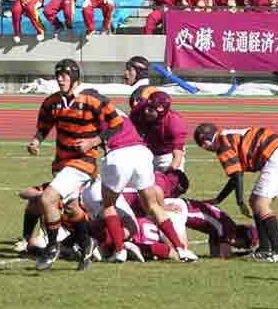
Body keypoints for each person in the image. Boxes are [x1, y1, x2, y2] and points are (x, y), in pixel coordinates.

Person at [63, 70, 196, 265]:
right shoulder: (119, 111)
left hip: (119, 155)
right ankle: (182, 249)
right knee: (152, 206)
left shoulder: (90, 113)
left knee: (109, 205)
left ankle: (119, 250)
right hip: (142, 154)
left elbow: (94, 140)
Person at [26, 58, 103, 270]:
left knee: (48, 198)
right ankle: (87, 243)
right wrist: (36, 141)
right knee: (71, 209)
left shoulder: (91, 100)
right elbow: (44, 126)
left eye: (64, 75)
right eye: (57, 75)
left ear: (75, 77)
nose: (60, 79)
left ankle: (52, 247)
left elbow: (116, 126)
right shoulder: (52, 102)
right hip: (62, 162)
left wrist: (93, 141)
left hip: (84, 162)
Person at [195, 122, 278, 262]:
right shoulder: (225, 137)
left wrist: (240, 201)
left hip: (276, 157)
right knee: (255, 202)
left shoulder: (221, 144)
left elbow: (237, 175)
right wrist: (219, 199)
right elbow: (235, 177)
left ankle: (277, 252)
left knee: (260, 204)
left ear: (205, 143)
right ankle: (264, 249)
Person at [129, 90, 187, 171]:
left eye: (151, 110)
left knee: (173, 180)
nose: (146, 111)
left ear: (161, 111)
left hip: (167, 155)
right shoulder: (138, 110)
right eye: (147, 107)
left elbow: (177, 155)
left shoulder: (174, 123)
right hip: (146, 151)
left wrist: (171, 171)